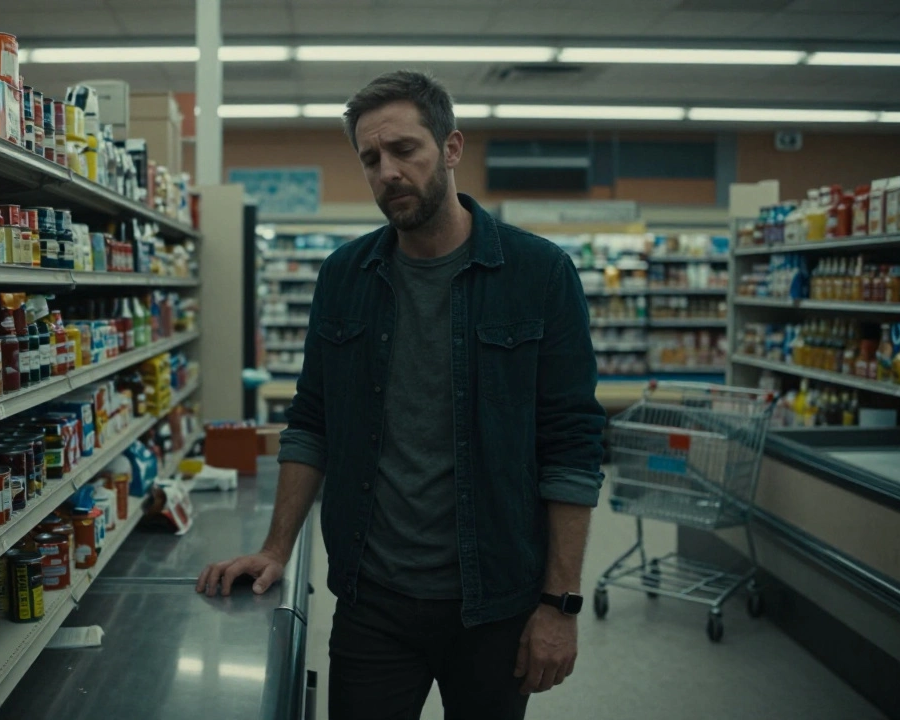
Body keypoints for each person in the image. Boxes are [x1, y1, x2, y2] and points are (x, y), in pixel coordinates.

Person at [196, 70, 605, 720]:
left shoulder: (540, 274)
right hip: (373, 599)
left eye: (405, 149)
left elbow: (572, 449)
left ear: (450, 147)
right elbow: (312, 422)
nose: (388, 171)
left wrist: (559, 605)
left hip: (496, 602)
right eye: (370, 158)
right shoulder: (344, 276)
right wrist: (275, 548)